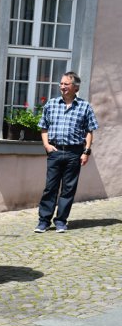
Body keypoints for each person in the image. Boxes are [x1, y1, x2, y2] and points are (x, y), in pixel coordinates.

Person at [34, 71, 98, 233]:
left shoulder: (84, 106)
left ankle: (61, 221)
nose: (62, 87)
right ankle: (44, 221)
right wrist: (46, 145)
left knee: (68, 189)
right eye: (61, 83)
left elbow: (89, 131)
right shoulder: (51, 104)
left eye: (66, 84)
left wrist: (86, 152)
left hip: (74, 153)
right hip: (55, 151)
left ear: (75, 87)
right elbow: (44, 127)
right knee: (50, 187)